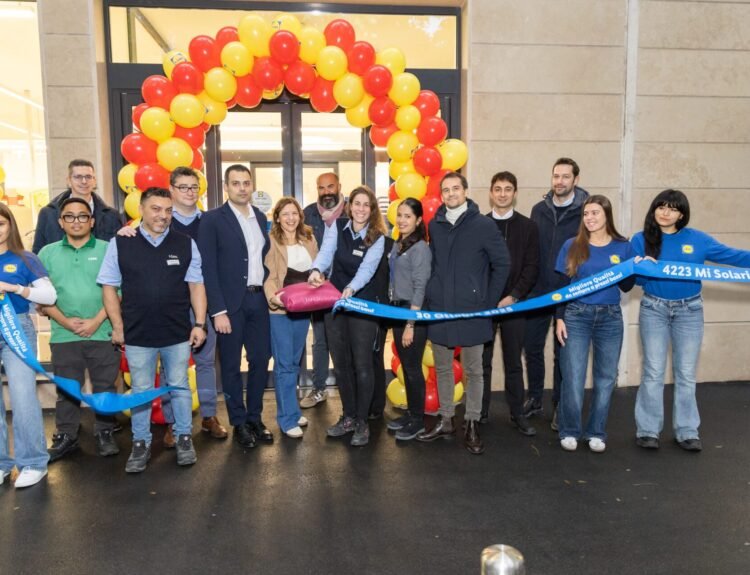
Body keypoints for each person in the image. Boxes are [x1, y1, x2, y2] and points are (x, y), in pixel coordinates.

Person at [98, 187, 207, 473]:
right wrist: (118, 327)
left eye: (168, 210)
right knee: (141, 391)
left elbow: (196, 285)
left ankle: (184, 438)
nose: (163, 215)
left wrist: (199, 323)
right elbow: (109, 287)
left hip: (176, 332)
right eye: (156, 209)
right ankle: (141, 443)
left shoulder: (186, 243)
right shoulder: (121, 243)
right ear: (141, 210)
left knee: (179, 387)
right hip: (137, 334)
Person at [632, 189, 750, 452]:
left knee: (686, 373)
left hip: (690, 311)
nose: (665, 213)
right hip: (654, 309)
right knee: (653, 371)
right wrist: (641, 268)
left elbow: (734, 256)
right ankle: (648, 430)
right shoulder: (640, 240)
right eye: (661, 207)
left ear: (681, 215)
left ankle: (687, 431)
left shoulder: (698, 239)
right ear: (653, 209)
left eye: (672, 209)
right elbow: (634, 281)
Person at [118, 167, 227, 446]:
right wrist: (125, 231)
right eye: (183, 187)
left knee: (206, 363)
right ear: (172, 189)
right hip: (170, 307)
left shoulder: (210, 221)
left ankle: (209, 416)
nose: (190, 192)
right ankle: (172, 423)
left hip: (203, 302)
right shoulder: (160, 219)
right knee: (169, 368)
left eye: (194, 187)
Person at [416, 172, 510, 454]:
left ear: (465, 191)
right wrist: (431, 294)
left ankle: (471, 423)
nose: (451, 194)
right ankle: (446, 420)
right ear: (441, 195)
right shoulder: (435, 225)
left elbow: (502, 264)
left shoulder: (483, 225)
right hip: (441, 309)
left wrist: (488, 300)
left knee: (474, 370)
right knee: (442, 368)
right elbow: (435, 264)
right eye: (446, 190)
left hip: (473, 310)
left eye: (456, 188)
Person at [38, 198, 120, 462]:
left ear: (92, 221)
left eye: (82, 216)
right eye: (69, 216)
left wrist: (96, 320)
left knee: (105, 387)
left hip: (102, 330)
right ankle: (66, 435)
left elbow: (119, 290)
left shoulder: (108, 250)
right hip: (64, 334)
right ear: (60, 222)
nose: (76, 221)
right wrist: (64, 321)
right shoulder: (47, 253)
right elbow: (40, 296)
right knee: (67, 390)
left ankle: (105, 431)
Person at [198, 165, 271, 449]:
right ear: (226, 186)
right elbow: (208, 267)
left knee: (260, 360)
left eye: (246, 183)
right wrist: (217, 311)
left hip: (258, 300)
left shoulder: (260, 217)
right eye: (236, 183)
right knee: (230, 366)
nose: (242, 188)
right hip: (229, 306)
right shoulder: (212, 220)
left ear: (252, 186)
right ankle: (238, 422)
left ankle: (255, 418)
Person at [308, 185, 387, 447]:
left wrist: (351, 289)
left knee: (362, 365)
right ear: (349, 206)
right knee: (341, 364)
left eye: (366, 204)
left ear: (372, 209)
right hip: (335, 304)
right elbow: (326, 252)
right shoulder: (337, 226)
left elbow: (367, 269)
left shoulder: (377, 237)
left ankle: (362, 421)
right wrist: (317, 270)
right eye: (357, 203)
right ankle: (349, 416)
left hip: (362, 304)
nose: (361, 209)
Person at [554, 195, 634, 453]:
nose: (589, 218)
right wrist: (559, 318)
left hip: (610, 318)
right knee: (573, 376)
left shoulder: (623, 247)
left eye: (595, 213)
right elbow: (561, 286)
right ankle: (569, 430)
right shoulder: (572, 245)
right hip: (576, 315)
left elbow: (627, 286)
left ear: (606, 215)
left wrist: (634, 267)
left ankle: (596, 432)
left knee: (606, 378)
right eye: (586, 213)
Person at [524, 157, 589, 430]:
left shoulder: (587, 212)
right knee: (532, 347)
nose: (559, 181)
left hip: (569, 293)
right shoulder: (538, 209)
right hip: (538, 291)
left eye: (565, 176)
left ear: (576, 179)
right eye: (556, 176)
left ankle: (560, 405)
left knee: (562, 353)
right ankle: (534, 398)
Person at [0, 204, 57, 488]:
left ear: (10, 225)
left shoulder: (25, 258)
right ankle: (1, 464)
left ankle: (33, 462)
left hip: (16, 328)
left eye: (0, 224)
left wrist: (15, 288)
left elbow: (49, 295)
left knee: (23, 398)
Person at [481, 172, 540, 435]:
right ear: (491, 193)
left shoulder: (528, 227)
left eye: (507, 189)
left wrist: (513, 296)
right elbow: (475, 266)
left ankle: (517, 414)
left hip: (515, 305)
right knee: (482, 361)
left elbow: (532, 266)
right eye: (498, 189)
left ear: (515, 193)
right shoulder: (480, 225)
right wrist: (488, 298)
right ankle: (479, 413)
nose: (502, 194)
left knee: (514, 362)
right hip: (485, 306)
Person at [264, 198, 318, 438]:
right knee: (284, 365)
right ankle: (286, 419)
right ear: (277, 217)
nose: (290, 218)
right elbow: (269, 276)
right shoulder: (271, 241)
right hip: (280, 310)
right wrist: (273, 298)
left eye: (294, 213)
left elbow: (317, 268)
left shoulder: (309, 238)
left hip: (303, 309)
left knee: (294, 363)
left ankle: (294, 413)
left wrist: (318, 279)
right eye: (285, 214)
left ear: (300, 216)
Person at [384, 198, 431, 441]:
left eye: (408, 216)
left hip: (412, 313)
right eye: (400, 215)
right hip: (397, 311)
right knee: (407, 365)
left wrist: (411, 324)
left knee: (413, 369)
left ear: (419, 220)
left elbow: (420, 287)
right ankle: (411, 414)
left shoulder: (420, 248)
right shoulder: (399, 243)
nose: (402, 220)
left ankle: (418, 421)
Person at [301, 172, 346, 408]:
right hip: (317, 289)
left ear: (339, 186)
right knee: (320, 341)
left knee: (345, 341)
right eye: (322, 188)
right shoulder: (307, 215)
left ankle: (350, 391)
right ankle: (319, 388)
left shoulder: (353, 211)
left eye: (330, 186)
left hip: (347, 288)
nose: (326, 192)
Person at [33, 159, 123, 253]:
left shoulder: (111, 216)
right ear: (69, 181)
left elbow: (118, 252)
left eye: (88, 177)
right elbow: (38, 252)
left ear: (94, 181)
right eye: (78, 177)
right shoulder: (49, 214)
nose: (84, 181)